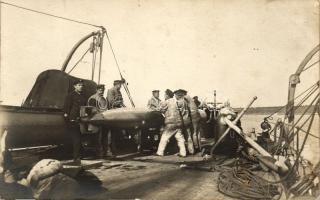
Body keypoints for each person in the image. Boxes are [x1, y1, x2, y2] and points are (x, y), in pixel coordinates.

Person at [156, 89, 194, 157]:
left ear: (167, 95)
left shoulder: (168, 101)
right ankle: (183, 153)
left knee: (164, 137)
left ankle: (160, 152)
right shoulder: (183, 102)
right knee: (180, 138)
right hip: (180, 123)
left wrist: (162, 111)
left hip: (171, 123)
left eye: (165, 95)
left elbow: (160, 109)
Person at [63, 79, 87, 164]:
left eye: (81, 85)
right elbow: (66, 109)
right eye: (79, 85)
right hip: (73, 120)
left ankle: (81, 156)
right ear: (75, 86)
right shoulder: (71, 96)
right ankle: (76, 158)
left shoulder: (83, 97)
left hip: (81, 120)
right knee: (76, 139)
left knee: (80, 139)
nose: (81, 87)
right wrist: (68, 120)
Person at [87, 84, 112, 158]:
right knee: (98, 138)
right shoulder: (92, 98)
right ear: (96, 90)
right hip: (96, 120)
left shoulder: (103, 99)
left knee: (106, 137)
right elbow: (91, 110)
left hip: (104, 120)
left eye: (103, 90)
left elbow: (106, 108)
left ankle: (106, 152)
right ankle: (99, 153)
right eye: (100, 90)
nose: (102, 91)